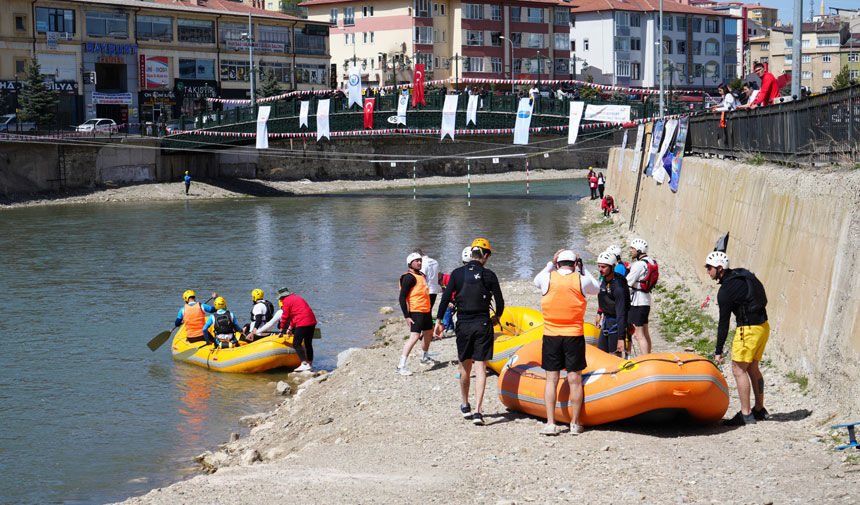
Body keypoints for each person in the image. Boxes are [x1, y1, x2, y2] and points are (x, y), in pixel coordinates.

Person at [433, 238, 504, 426]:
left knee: (464, 366)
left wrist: (439, 321)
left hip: (463, 324)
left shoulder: (456, 274)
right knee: (481, 366)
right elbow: (500, 303)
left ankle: (465, 405)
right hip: (482, 323)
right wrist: (496, 317)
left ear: (471, 254)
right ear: (486, 255)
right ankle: (479, 412)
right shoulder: (489, 275)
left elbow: (445, 298)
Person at [533, 248, 600, 435]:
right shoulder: (582, 279)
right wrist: (583, 268)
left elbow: (536, 279)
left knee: (551, 379)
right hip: (574, 335)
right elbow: (597, 288)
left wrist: (550, 263)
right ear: (574, 264)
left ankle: (551, 423)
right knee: (575, 380)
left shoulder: (547, 278)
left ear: (558, 263)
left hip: (551, 335)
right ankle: (575, 423)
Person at [705, 251, 770, 426]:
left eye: (709, 268)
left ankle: (746, 414)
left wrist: (718, 351)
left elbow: (723, 324)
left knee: (738, 369)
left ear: (719, 269)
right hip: (763, 327)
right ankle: (759, 409)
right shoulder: (742, 274)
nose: (707, 271)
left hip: (747, 330)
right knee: (753, 367)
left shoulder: (725, 291)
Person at [396, 252, 436, 376]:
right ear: (410, 263)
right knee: (414, 337)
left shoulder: (421, 275)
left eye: (420, 260)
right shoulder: (408, 277)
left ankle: (424, 357)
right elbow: (402, 298)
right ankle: (401, 366)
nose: (419, 262)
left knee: (429, 333)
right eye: (416, 261)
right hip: (416, 311)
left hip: (426, 311)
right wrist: (407, 316)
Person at [626, 238, 658, 355]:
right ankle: (648, 356)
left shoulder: (639, 264)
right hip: (646, 300)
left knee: (638, 335)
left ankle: (645, 359)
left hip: (638, 302)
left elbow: (628, 282)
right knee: (645, 332)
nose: (630, 251)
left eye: (632, 248)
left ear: (639, 250)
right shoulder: (651, 261)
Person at [595, 251, 630, 356]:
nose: (600, 269)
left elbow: (621, 313)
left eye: (603, 267)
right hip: (607, 321)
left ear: (613, 267)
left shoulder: (618, 287)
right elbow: (604, 297)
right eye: (599, 266)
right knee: (601, 354)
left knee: (614, 356)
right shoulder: (604, 279)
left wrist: (621, 338)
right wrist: (599, 313)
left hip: (616, 324)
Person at [277, 286, 318, 372]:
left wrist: (281, 330)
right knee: (308, 343)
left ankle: (304, 363)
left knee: (296, 343)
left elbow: (285, 317)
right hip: (312, 321)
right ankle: (310, 364)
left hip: (302, 322)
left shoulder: (286, 301)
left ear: (281, 297)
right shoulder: (298, 298)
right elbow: (294, 315)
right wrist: (290, 328)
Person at [440, 246, 472, 336]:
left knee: (446, 307)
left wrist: (451, 302)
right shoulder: (483, 273)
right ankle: (448, 326)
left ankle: (448, 327)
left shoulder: (454, 274)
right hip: (460, 300)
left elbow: (454, 292)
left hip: (459, 300)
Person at [415, 248, 441, 313]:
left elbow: (421, 277)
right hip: (434, 290)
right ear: (423, 253)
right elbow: (439, 276)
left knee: (423, 312)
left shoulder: (422, 264)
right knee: (429, 310)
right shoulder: (435, 261)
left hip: (426, 291)